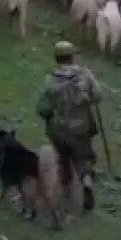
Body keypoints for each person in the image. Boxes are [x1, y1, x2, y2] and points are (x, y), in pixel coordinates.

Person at [35, 41, 102, 212]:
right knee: (83, 157)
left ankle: (66, 192)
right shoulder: (84, 75)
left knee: (63, 159)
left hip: (60, 129)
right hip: (82, 128)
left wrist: (49, 114)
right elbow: (98, 95)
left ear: (57, 58)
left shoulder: (50, 80)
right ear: (72, 56)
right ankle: (86, 182)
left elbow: (42, 108)